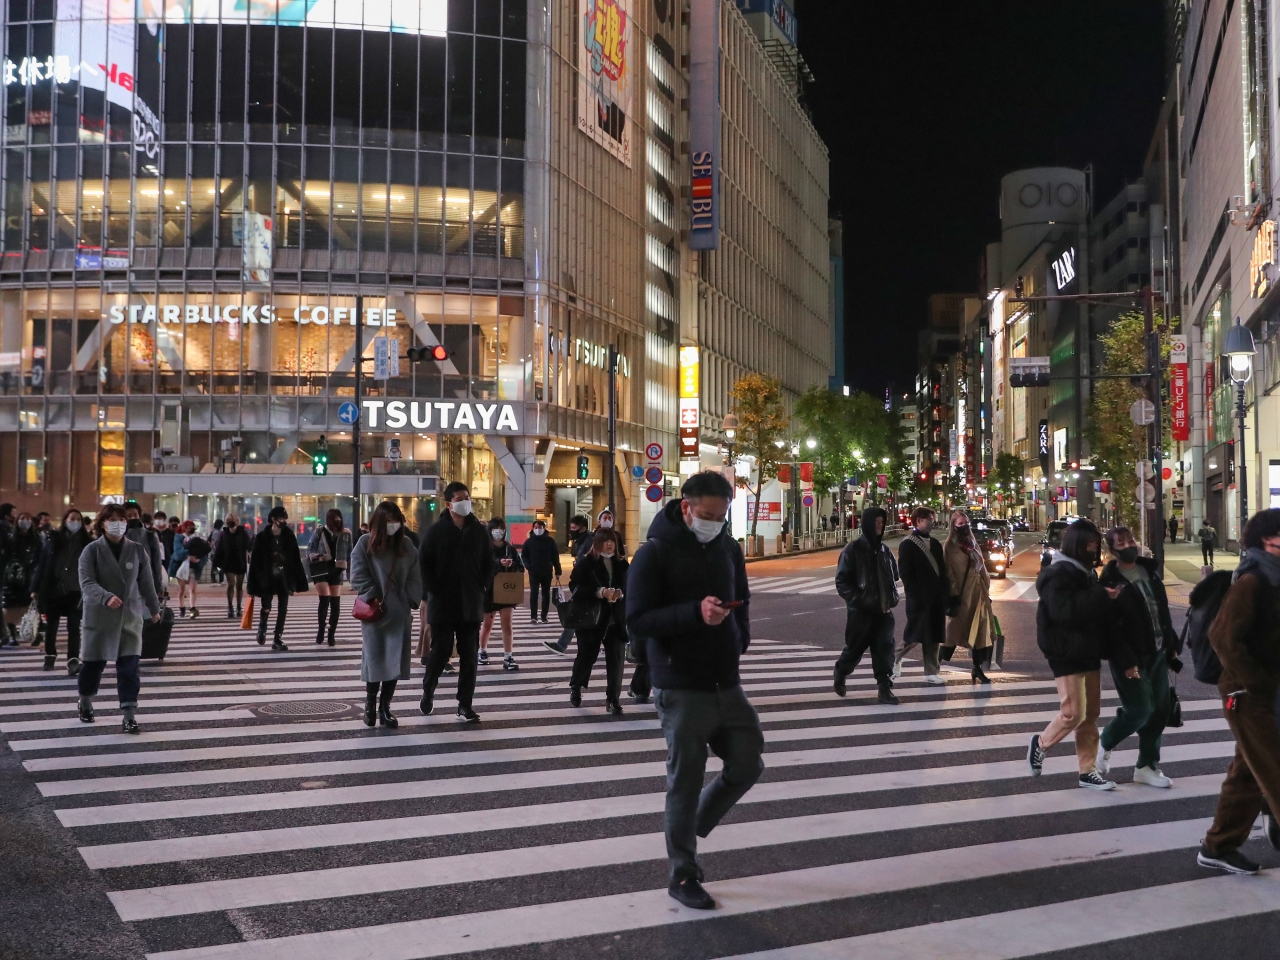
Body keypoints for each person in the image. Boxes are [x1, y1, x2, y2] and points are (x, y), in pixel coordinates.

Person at [626, 471, 761, 911]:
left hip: (727, 679)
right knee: (683, 781)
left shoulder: (727, 546)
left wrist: (739, 638)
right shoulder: (654, 553)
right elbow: (638, 622)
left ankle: (691, 823)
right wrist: (693, 614)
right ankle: (682, 874)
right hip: (680, 683)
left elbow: (742, 598)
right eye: (707, 515)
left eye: (721, 517)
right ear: (686, 507)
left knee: (747, 762)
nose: (714, 523)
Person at [1197, 509, 1280, 875]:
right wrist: (1256, 683)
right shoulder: (1252, 580)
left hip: (1265, 689)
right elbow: (1222, 638)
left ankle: (1218, 846)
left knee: (1248, 772)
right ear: (1268, 540)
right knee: (1275, 767)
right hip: (1247, 693)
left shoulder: (1274, 578)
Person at [1027, 519, 1120, 790]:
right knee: (1073, 712)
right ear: (1077, 544)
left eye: (1096, 544)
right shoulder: (1059, 573)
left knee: (1090, 713)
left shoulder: (1086, 572)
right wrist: (1101, 595)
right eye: (1090, 544)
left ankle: (1087, 771)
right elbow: (1064, 613)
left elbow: (1089, 608)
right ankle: (1041, 743)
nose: (1094, 548)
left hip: (1087, 648)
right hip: (1064, 649)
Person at [1096, 526, 1177, 789]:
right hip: (1130, 656)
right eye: (1122, 542)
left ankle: (1146, 766)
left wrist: (1171, 642)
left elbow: (1161, 610)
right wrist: (1126, 662)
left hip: (1157, 651)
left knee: (1160, 711)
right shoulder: (1109, 581)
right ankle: (1106, 741)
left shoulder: (1149, 572)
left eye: (1131, 539)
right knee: (1140, 708)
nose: (1129, 544)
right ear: (1113, 550)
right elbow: (1109, 629)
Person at [76, 504, 162, 733]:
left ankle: (129, 715)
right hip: (100, 617)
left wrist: (154, 609)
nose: (118, 523)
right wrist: (105, 597)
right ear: (102, 523)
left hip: (129, 616)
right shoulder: (91, 551)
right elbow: (86, 582)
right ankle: (85, 701)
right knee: (92, 667)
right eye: (112, 519)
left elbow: (146, 582)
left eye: (121, 519)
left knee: (129, 668)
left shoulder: (136, 550)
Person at [418, 482, 494, 722]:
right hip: (443, 603)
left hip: (470, 603)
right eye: (461, 498)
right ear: (449, 503)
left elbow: (489, 562)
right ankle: (428, 691)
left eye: (467, 497)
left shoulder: (479, 531)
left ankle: (464, 705)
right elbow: (424, 564)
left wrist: (482, 585)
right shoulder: (435, 532)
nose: (466, 502)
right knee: (440, 653)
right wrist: (433, 590)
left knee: (469, 655)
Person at [349, 501, 423, 728]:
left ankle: (385, 707)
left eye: (396, 520)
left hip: (399, 613)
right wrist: (373, 596)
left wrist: (411, 599)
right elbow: (357, 575)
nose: (393, 525)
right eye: (389, 520)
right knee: (374, 660)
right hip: (375, 613)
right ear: (380, 522)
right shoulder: (365, 543)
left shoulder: (407, 545)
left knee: (395, 662)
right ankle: (370, 705)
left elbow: (414, 576)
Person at [833, 506, 900, 705]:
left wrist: (890, 595)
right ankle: (841, 671)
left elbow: (894, 576)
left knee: (884, 649)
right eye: (875, 522)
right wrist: (859, 599)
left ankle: (884, 688)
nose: (879, 526)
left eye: (881, 522)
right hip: (861, 612)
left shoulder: (885, 551)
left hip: (883, 610)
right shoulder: (852, 551)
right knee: (854, 649)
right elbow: (842, 582)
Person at [569, 528, 629, 712]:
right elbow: (575, 586)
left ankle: (613, 699)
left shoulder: (622, 564)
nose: (609, 544)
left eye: (612, 540)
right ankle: (576, 687)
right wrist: (600, 592)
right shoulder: (587, 563)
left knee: (616, 659)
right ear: (597, 543)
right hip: (591, 618)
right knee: (587, 655)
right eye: (605, 540)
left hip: (616, 618)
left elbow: (630, 585)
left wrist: (620, 592)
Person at [894, 506, 949, 685]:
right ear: (919, 521)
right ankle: (893, 659)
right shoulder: (908, 543)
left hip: (936, 598)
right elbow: (906, 573)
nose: (933, 522)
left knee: (934, 635)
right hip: (919, 598)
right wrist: (915, 595)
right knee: (915, 634)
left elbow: (942, 571)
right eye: (930, 519)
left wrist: (945, 594)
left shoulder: (935, 544)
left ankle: (931, 671)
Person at [31, 509, 89, 673]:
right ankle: (50, 655)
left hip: (76, 589)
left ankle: (73, 659)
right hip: (54, 588)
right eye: (72, 519)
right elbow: (42, 565)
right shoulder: (54, 539)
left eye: (78, 519)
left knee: (74, 626)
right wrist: (35, 588)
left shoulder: (87, 541)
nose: (75, 522)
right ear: (65, 521)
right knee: (52, 625)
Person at [246, 506, 309, 650]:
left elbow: (295, 558)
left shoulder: (289, 535)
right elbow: (255, 562)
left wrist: (297, 579)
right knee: (266, 606)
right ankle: (262, 629)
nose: (284, 521)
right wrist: (252, 585)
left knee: (283, 608)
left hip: (284, 576)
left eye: (285, 519)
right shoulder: (262, 537)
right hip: (267, 576)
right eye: (281, 518)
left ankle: (277, 638)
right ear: (273, 519)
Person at [943, 511, 995, 683]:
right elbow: (949, 573)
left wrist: (986, 590)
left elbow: (982, 568)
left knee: (980, 632)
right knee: (954, 633)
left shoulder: (972, 542)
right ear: (954, 526)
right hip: (963, 595)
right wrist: (953, 594)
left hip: (978, 593)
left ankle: (977, 668)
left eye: (966, 522)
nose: (964, 526)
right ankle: (936, 662)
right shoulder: (950, 546)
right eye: (960, 523)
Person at [544, 514, 594, 654]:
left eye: (574, 528)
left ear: (583, 529)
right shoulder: (580, 541)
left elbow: (588, 562)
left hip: (586, 584)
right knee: (579, 614)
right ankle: (562, 644)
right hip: (583, 583)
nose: (571, 530)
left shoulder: (588, 541)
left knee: (575, 613)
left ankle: (562, 644)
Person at [479, 517, 523, 670]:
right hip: (489, 591)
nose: (498, 532)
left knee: (507, 625)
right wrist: (498, 563)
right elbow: (481, 567)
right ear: (490, 530)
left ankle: (508, 656)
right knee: (487, 624)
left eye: (501, 529)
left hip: (506, 589)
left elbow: (521, 567)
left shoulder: (509, 549)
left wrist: (512, 565)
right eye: (495, 528)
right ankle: (482, 651)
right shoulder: (485, 548)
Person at [307, 509, 352, 646]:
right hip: (321, 567)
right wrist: (313, 555)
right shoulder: (319, 531)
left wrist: (351, 575)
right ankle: (321, 629)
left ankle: (331, 633)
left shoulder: (346, 533)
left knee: (335, 603)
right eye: (334, 518)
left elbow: (351, 554)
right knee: (324, 599)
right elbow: (310, 548)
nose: (337, 520)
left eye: (339, 517)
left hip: (336, 569)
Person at [4, 511, 41, 645]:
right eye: (21, 518)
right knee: (10, 606)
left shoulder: (36, 538)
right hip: (12, 577)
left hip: (30, 576)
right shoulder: (10, 537)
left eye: (27, 518)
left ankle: (33, 632)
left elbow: (40, 558)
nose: (24, 521)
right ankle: (12, 634)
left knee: (30, 605)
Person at [521, 518, 561, 623]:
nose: (538, 529)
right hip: (533, 571)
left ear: (544, 528)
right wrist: (528, 566)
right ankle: (533, 616)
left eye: (540, 527)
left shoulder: (550, 541)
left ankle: (544, 616)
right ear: (533, 529)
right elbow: (524, 555)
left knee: (546, 594)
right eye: (536, 527)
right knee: (533, 593)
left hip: (547, 571)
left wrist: (558, 571)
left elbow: (555, 557)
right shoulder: (529, 542)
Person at [212, 513, 251, 619]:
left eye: (233, 520)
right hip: (228, 562)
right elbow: (219, 548)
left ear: (237, 521)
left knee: (239, 585)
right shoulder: (223, 534)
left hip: (240, 561)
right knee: (231, 584)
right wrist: (216, 563)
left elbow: (249, 546)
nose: (231, 522)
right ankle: (230, 606)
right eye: (229, 520)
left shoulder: (243, 532)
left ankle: (238, 607)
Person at [209, 519, 225, 583]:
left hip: (215, 552)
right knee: (218, 566)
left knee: (216, 566)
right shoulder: (217, 532)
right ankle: (216, 578)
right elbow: (214, 543)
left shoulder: (214, 531)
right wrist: (216, 550)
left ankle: (215, 578)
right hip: (216, 553)